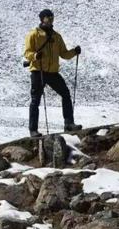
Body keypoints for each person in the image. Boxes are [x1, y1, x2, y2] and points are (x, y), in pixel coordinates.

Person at [24, 8, 81, 137]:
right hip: (38, 71)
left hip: (52, 72)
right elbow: (27, 53)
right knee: (35, 100)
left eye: (52, 17)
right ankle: (33, 130)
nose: (50, 19)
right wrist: (35, 56)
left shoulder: (56, 36)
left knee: (65, 94)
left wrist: (74, 52)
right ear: (42, 19)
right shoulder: (33, 34)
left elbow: (64, 54)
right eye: (48, 17)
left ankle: (69, 124)